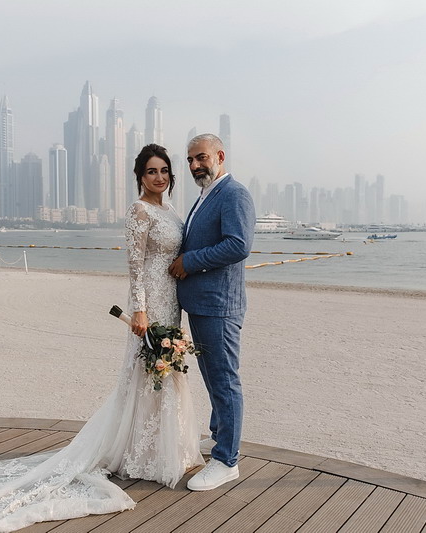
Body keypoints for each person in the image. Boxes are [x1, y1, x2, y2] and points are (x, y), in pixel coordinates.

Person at [0, 144, 203, 532]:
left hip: (171, 300)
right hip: (151, 303)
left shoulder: (170, 210)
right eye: (151, 171)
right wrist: (140, 309)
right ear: (140, 177)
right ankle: (141, 455)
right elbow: (135, 266)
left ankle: (167, 449)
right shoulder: (138, 210)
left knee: (167, 369)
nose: (159, 177)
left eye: (164, 170)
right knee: (146, 371)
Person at [169, 133, 256, 491]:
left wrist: (189, 261)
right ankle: (220, 436)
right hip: (202, 304)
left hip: (220, 305)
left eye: (201, 157)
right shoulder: (207, 195)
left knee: (224, 381)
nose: (194, 165)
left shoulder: (234, 194)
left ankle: (226, 461)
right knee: (212, 378)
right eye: (190, 160)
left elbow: (238, 245)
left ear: (219, 156)